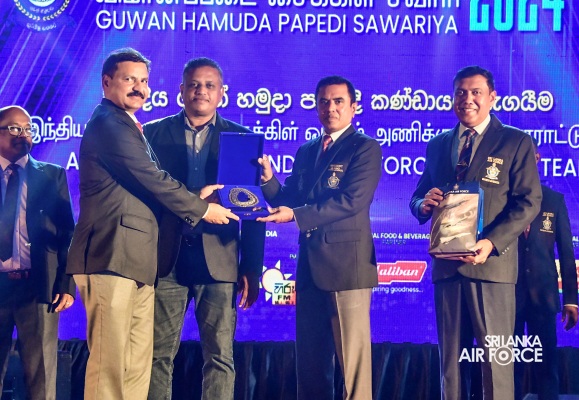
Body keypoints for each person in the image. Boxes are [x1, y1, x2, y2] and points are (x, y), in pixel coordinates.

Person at [66, 48, 239, 400]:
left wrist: (195, 196)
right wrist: (201, 208)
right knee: (110, 366)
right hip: (111, 255)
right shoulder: (109, 124)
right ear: (106, 82)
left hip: (139, 263)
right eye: (129, 79)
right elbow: (152, 179)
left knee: (136, 366)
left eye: (144, 81)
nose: (139, 88)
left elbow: (152, 185)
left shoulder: (130, 126)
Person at [409, 65, 542, 400]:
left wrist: (491, 242)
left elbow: (529, 201)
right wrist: (423, 205)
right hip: (447, 268)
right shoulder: (439, 144)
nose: (467, 99)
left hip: (491, 268)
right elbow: (418, 196)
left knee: (495, 367)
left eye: (476, 92)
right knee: (450, 369)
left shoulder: (515, 141)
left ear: (492, 97)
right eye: (460, 93)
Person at [144, 57, 265, 400]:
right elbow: (146, 195)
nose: (201, 91)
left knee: (220, 357)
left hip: (220, 260)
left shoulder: (242, 140)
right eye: (194, 85)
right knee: (157, 355)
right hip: (167, 258)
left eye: (210, 85)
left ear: (222, 93)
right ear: (181, 90)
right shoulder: (152, 134)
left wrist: (251, 267)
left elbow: (251, 208)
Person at [258, 75, 382, 400]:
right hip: (310, 269)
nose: (331, 108)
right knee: (311, 363)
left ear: (354, 107)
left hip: (347, 267)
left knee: (353, 369)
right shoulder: (307, 150)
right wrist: (269, 181)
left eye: (338, 101)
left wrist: (296, 216)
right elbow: (290, 198)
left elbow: (352, 201)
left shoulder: (364, 147)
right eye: (324, 102)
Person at [0, 105, 75, 400]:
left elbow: (68, 233)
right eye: (14, 128)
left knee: (41, 379)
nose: (23, 134)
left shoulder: (52, 176)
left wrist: (66, 283)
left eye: (28, 129)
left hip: (37, 287)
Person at [514, 138, 578, 400]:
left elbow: (566, 253)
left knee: (547, 368)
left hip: (544, 297)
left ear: (537, 159)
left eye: (528, 156)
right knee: (509, 366)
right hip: (508, 298)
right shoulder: (502, 201)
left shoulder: (554, 200)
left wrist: (571, 300)